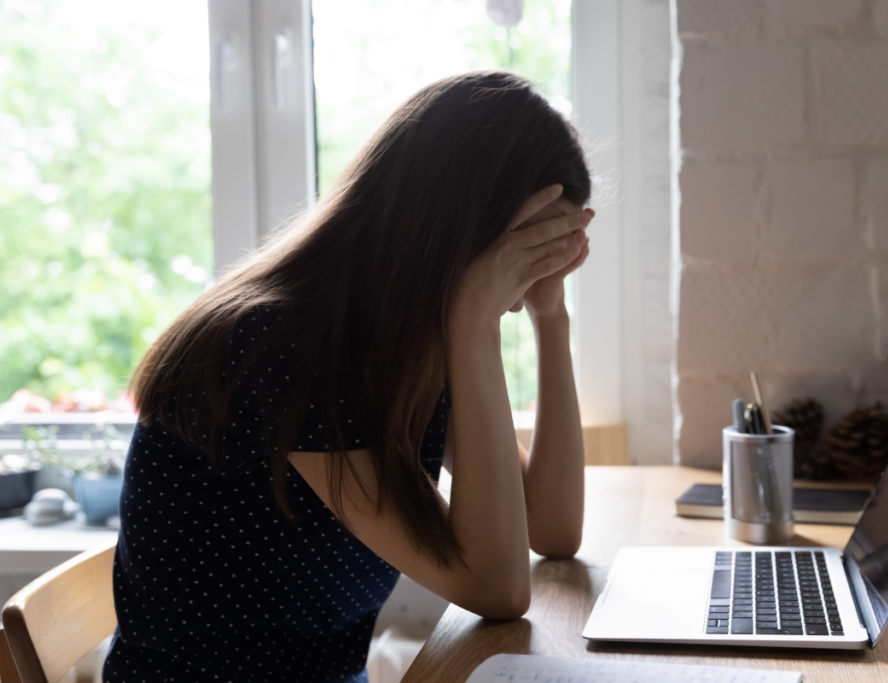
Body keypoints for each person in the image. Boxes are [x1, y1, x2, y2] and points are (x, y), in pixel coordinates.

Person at [102, 71, 593, 683]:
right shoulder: (283, 346)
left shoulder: (407, 341)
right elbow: (498, 587)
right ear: (456, 228)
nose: (516, 294)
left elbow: (553, 529)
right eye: (524, 255)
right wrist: (473, 322)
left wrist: (552, 316)